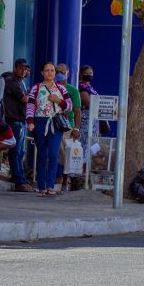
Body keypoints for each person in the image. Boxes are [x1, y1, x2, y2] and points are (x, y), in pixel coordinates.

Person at [26, 62, 74, 197]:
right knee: (42, 154)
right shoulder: (36, 88)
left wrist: (58, 100)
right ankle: (41, 187)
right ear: (42, 73)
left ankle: (50, 186)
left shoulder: (61, 89)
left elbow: (69, 106)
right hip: (39, 122)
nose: (50, 73)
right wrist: (30, 122)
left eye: (52, 70)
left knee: (53, 154)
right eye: (47, 70)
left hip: (56, 123)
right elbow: (30, 105)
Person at [1, 58, 33, 192]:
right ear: (16, 67)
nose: (23, 71)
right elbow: (24, 99)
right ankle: (19, 181)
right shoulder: (11, 81)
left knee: (20, 152)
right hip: (14, 120)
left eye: (26, 69)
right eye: (21, 68)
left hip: (21, 120)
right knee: (16, 152)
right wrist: (37, 94)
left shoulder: (21, 82)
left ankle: (21, 180)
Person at [55, 63, 82, 192]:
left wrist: (76, 129)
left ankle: (66, 181)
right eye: (57, 71)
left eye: (62, 72)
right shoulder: (51, 88)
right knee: (53, 154)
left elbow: (77, 111)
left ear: (68, 74)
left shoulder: (73, 91)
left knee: (66, 156)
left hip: (67, 126)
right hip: (53, 125)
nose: (59, 74)